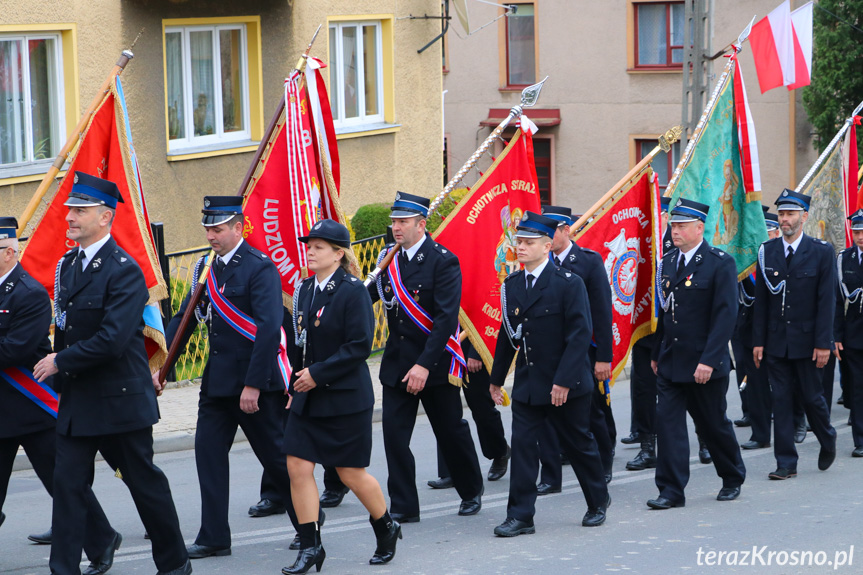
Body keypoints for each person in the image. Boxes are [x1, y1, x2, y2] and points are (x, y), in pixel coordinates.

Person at [33, 172, 190, 575]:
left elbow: (113, 339)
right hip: (78, 402)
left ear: (105, 217)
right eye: (70, 209)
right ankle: (63, 569)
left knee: (144, 486)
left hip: (119, 402)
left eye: (80, 210)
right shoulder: (68, 265)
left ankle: (174, 566)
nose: (69, 216)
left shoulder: (124, 269)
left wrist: (60, 362)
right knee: (68, 491)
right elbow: (68, 327)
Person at [162, 196, 302, 559]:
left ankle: (307, 527)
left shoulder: (259, 268)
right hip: (217, 384)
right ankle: (213, 537)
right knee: (207, 455)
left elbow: (270, 329)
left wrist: (253, 384)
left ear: (238, 228)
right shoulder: (206, 268)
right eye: (208, 228)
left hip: (254, 385)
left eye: (218, 228)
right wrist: (160, 365)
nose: (211, 235)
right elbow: (186, 321)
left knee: (275, 459)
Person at [282, 220, 401, 573]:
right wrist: (294, 386)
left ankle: (386, 526)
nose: (311, 251)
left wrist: (316, 375)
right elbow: (299, 345)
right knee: (297, 466)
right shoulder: (304, 289)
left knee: (350, 473)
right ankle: (310, 546)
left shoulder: (352, 291)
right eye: (309, 245)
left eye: (319, 247)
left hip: (345, 398)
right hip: (308, 395)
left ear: (339, 254)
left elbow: (359, 346)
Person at [489, 211, 609, 537]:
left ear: (546, 246)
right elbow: (508, 335)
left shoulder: (568, 283)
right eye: (519, 241)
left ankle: (598, 500)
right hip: (530, 386)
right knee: (525, 449)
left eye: (528, 242)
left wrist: (563, 381)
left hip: (565, 385)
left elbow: (579, 336)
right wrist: (496, 380)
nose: (521, 247)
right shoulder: (512, 285)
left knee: (579, 445)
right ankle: (521, 516)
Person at [0, 217, 113, 560]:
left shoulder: (29, 293)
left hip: (32, 407)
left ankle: (101, 539)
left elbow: (14, 350)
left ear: (8, 251)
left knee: (64, 485)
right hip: (2, 411)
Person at [370, 192, 483, 523]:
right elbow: (371, 297)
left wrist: (423, 365)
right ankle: (405, 505)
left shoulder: (443, 260)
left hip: (434, 364)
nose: (396, 228)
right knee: (394, 436)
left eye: (403, 222)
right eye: (394, 222)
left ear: (422, 224)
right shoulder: (388, 260)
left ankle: (470, 489)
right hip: (397, 363)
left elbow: (445, 320)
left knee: (450, 431)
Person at [647, 198, 745, 510]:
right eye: (673, 225)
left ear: (699, 228)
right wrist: (655, 351)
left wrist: (709, 359)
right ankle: (671, 490)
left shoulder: (720, 263)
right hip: (672, 361)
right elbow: (666, 311)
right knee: (669, 426)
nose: (674, 231)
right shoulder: (669, 261)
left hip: (705, 363)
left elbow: (725, 316)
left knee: (712, 424)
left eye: (681, 226)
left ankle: (731, 476)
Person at [753, 189, 838, 480]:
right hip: (776, 341)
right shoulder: (767, 251)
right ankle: (786, 462)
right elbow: (761, 302)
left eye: (790, 214)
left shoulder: (821, 251)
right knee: (782, 401)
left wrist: (823, 343)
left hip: (807, 342)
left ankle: (827, 438)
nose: (785, 219)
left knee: (812, 398)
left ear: (804, 216)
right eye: (782, 214)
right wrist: (759, 341)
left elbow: (827, 302)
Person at [536, 205, 615, 490]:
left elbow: (603, 311)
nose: (545, 236)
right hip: (550, 352)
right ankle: (550, 475)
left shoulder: (588, 262)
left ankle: (603, 462)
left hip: (585, 349)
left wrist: (604, 357)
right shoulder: (539, 260)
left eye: (551, 230)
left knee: (591, 411)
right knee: (546, 414)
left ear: (565, 230)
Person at [426, 337, 511, 488]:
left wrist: (477, 351)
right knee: (445, 411)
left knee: (482, 408)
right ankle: (451, 471)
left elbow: (484, 316)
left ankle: (499, 451)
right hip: (446, 348)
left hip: (471, 346)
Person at [731, 209, 778, 451]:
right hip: (748, 325)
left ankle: (796, 421)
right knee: (757, 381)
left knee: (786, 381)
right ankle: (760, 433)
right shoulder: (742, 259)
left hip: (779, 327)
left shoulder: (778, 254)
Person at [835, 208, 863, 458]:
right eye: (856, 231)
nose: (861, 236)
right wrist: (836, 335)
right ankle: (861, 440)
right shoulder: (845, 258)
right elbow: (837, 301)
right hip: (854, 334)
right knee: (857, 387)